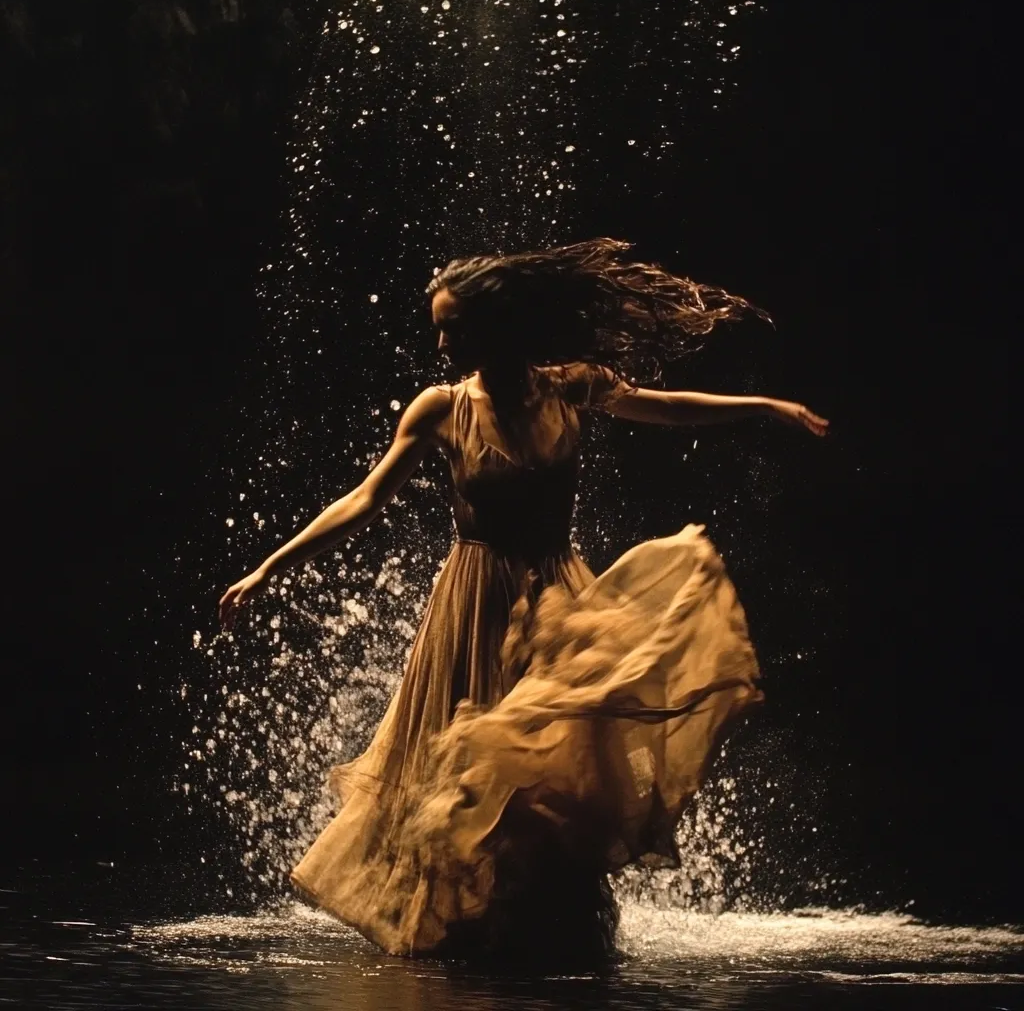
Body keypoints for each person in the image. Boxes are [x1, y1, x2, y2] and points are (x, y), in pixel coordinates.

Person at [218, 237, 828, 959]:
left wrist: (761, 405)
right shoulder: (442, 409)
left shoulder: (571, 385)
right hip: (474, 605)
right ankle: (456, 925)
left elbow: (666, 409)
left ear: (498, 328)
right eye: (438, 327)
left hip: (555, 604)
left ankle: (569, 929)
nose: (442, 342)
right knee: (464, 767)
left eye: (455, 327)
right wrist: (270, 566)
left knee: (553, 770)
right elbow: (364, 499)